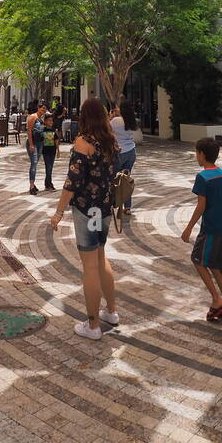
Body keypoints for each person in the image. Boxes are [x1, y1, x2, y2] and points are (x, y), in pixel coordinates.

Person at [48, 97, 119, 340]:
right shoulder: (110, 141)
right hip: (104, 209)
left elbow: (72, 182)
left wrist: (58, 212)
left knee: (89, 265)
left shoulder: (83, 142)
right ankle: (111, 311)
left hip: (87, 209)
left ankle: (93, 325)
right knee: (100, 258)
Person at [181, 137, 222, 323]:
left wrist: (188, 228)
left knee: (197, 260)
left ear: (202, 154)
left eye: (196, 152)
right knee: (216, 267)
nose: (195, 156)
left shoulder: (202, 177)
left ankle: (216, 300)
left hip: (211, 230)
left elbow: (201, 206)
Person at [110, 99, 138, 215]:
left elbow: (108, 130)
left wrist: (111, 117)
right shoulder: (133, 121)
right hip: (131, 151)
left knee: (112, 179)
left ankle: (111, 204)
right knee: (126, 180)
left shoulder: (116, 121)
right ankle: (128, 207)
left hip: (119, 152)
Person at [37, 112, 59, 190]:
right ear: (45, 121)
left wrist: (58, 150)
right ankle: (49, 184)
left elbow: (56, 140)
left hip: (53, 151)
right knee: (48, 167)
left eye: (51, 121)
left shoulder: (53, 131)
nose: (50, 122)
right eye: (49, 121)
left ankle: (48, 183)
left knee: (50, 167)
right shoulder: (43, 130)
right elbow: (40, 140)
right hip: (45, 151)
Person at [24, 100, 42, 195]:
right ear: (38, 108)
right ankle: (31, 185)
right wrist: (31, 144)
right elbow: (29, 131)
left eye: (45, 109)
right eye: (42, 108)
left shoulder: (41, 118)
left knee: (36, 163)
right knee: (34, 163)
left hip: (40, 143)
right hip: (33, 143)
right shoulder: (33, 117)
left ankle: (33, 183)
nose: (43, 110)